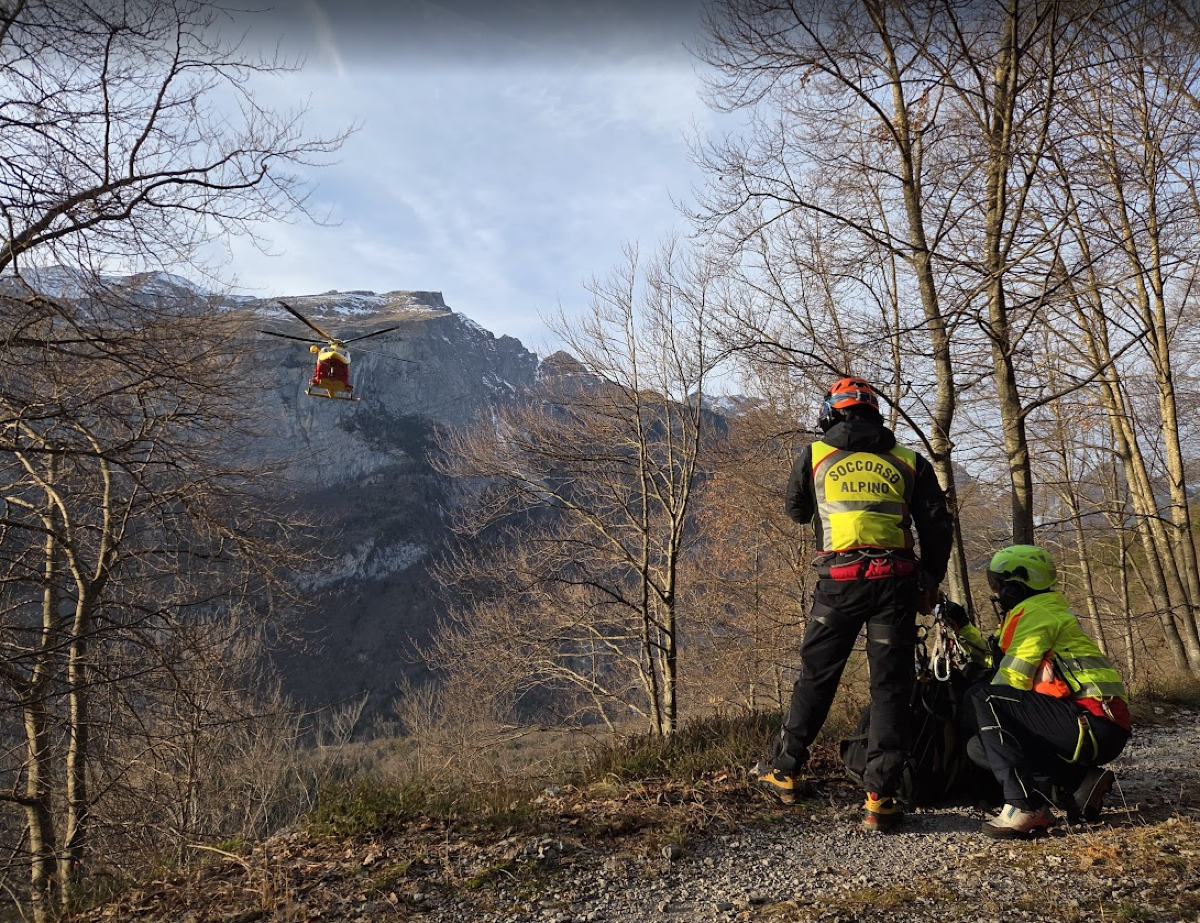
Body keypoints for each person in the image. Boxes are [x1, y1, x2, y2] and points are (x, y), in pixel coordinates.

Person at [752, 377, 953, 832]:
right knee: (890, 688)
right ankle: (880, 798)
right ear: (874, 414)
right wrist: (929, 580)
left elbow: (796, 511)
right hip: (895, 586)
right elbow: (937, 526)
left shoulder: (816, 455)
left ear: (831, 413)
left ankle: (784, 770)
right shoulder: (908, 460)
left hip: (838, 584)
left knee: (816, 677)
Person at [941, 545, 1131, 839]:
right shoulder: (1032, 613)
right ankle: (1081, 782)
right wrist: (963, 627)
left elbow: (1009, 680)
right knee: (979, 747)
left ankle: (1025, 805)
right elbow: (997, 661)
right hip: (1083, 722)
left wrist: (972, 699)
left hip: (1092, 720)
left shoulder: (1036, 614)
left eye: (998, 584)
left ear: (1017, 585)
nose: (996, 591)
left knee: (984, 697)